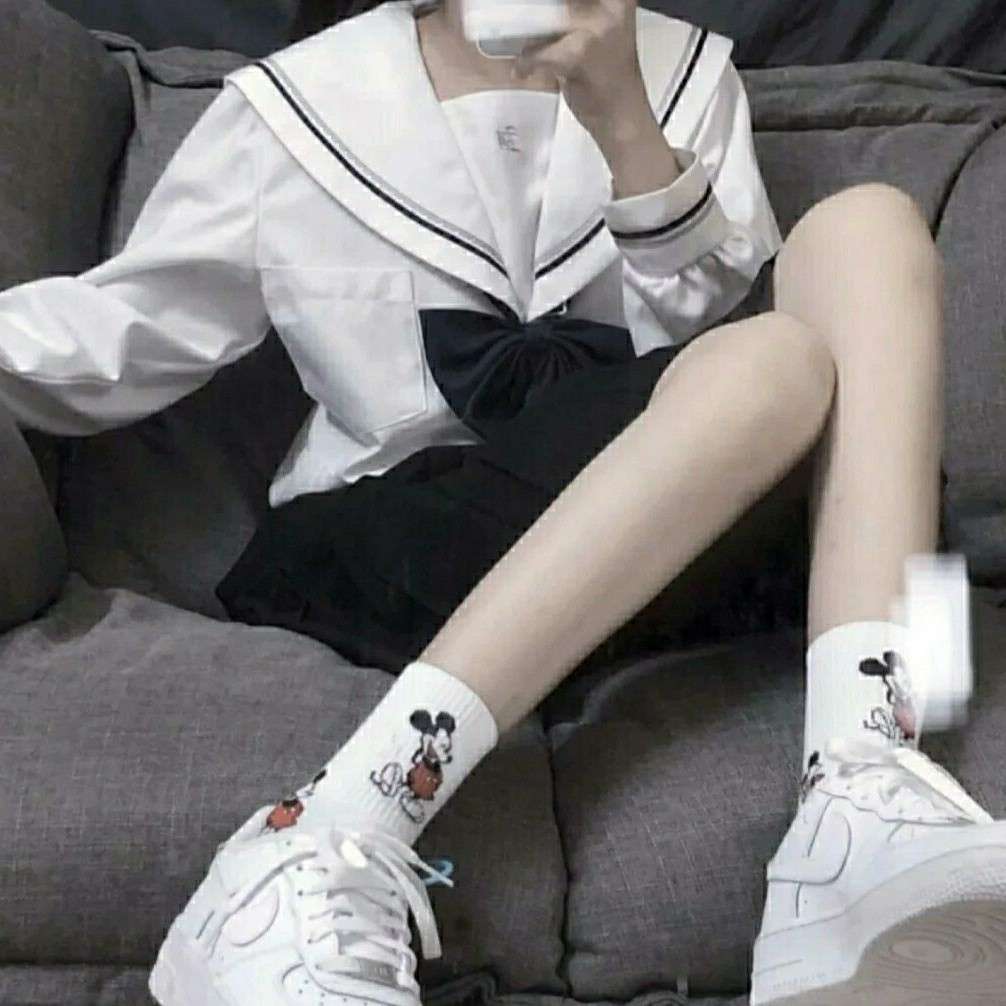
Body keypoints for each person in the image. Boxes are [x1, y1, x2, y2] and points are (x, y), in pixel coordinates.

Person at [0, 0, 1003, 1003]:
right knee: (771, 361)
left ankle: (858, 806)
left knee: (869, 224)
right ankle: (322, 830)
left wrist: (623, 115)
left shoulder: (686, 74)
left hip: (648, 532)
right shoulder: (296, 104)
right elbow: (129, 326)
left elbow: (699, 308)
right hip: (405, 535)